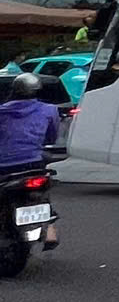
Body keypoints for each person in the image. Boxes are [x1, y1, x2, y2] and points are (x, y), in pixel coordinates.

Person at [0, 72, 61, 249]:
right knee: (42, 186)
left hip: (4, 165)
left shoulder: (3, 110)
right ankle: (50, 228)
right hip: (34, 161)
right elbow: (51, 137)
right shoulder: (50, 110)